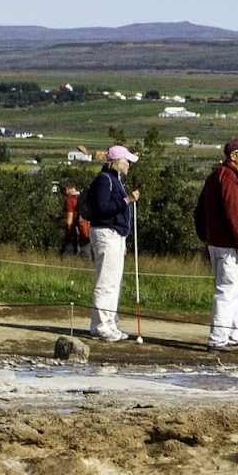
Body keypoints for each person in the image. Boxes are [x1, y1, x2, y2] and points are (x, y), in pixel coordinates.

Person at [194, 138, 238, 351]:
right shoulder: (229, 178)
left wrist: (205, 235)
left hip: (217, 241)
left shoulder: (215, 177)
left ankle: (234, 334)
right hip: (228, 244)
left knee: (235, 289)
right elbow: (235, 212)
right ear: (233, 156)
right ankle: (218, 338)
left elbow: (199, 210)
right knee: (227, 290)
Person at [84, 145, 140, 341]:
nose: (129, 165)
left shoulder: (116, 180)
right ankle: (100, 325)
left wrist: (125, 200)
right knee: (106, 281)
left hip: (115, 235)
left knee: (114, 282)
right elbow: (101, 207)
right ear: (117, 161)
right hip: (106, 233)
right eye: (127, 161)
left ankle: (109, 322)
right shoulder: (104, 179)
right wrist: (126, 200)